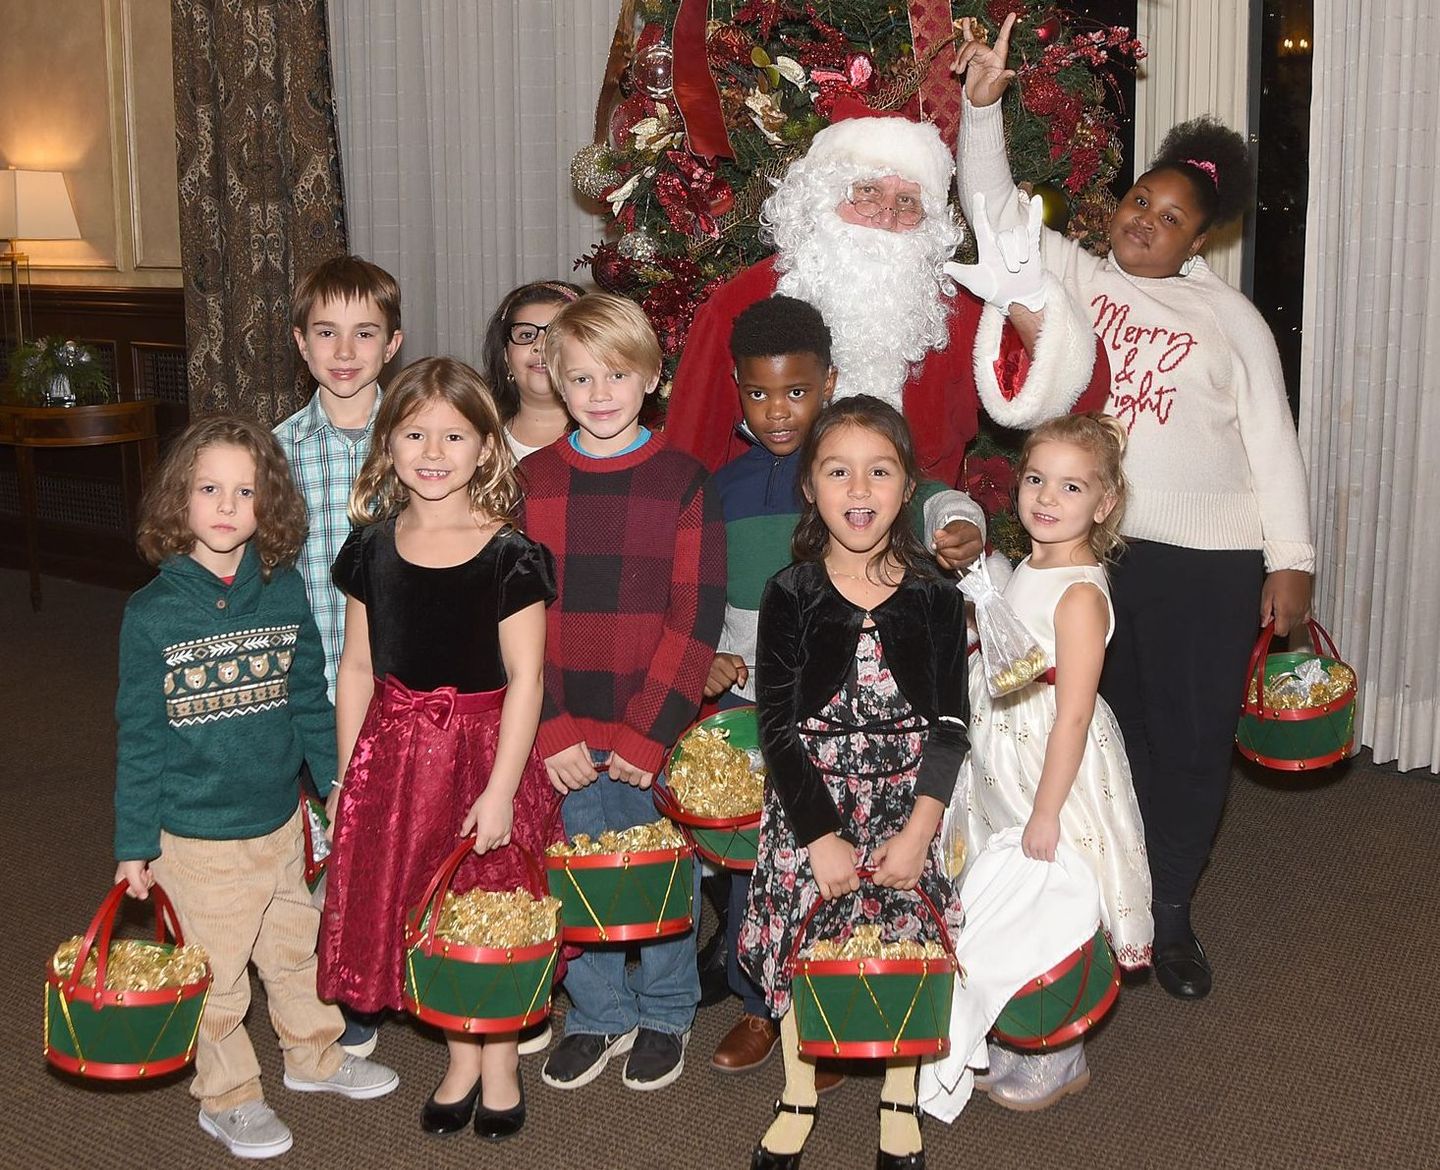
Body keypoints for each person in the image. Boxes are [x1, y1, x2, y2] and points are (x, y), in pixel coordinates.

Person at [955, 14, 1315, 1000]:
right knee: (1101, 735)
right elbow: (995, 221)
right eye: (1139, 200)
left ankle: (1173, 914)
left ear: (1204, 239)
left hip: (1209, 558)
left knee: (1192, 741)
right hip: (1095, 556)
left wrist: (1292, 559)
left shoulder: (1229, 317)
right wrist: (982, 117)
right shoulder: (1073, 277)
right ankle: (1096, 900)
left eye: (1171, 217)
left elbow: (1271, 444)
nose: (1144, 221)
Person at [704, 295, 984, 1078]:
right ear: (810, 487)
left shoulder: (918, 564)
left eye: (796, 390)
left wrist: (967, 526)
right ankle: (774, 1011)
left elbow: (944, 505)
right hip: (793, 759)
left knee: (888, 911)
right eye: (758, 393)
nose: (778, 409)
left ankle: (855, 1008)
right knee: (783, 894)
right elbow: (769, 709)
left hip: (897, 775)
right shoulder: (755, 536)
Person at [114, 416, 399, 1162]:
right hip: (195, 838)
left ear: (268, 507)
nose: (227, 505)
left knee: (296, 950)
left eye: (246, 492)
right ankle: (229, 1096)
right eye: (210, 489)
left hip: (280, 821)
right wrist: (135, 843)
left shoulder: (282, 593)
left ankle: (313, 1057)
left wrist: (337, 781)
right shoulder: (150, 615)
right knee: (217, 981)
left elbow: (310, 697)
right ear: (179, 500)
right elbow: (139, 735)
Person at [314, 358, 561, 1140]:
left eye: (453, 435)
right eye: (414, 433)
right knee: (427, 909)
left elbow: (526, 679)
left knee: (486, 907)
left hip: (483, 757)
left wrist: (499, 788)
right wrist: (353, 773)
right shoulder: (371, 548)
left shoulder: (508, 555)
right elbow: (356, 668)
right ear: (387, 445)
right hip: (396, 756)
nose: (432, 450)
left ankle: (501, 1061)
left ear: (487, 449)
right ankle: (460, 1056)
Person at [740, 396, 970, 1170]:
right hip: (814, 802)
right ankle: (799, 1089)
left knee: (902, 941)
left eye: (880, 471)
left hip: (907, 803)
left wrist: (920, 829)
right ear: (810, 486)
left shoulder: (937, 595)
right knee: (813, 945)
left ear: (908, 489)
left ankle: (899, 1096)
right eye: (839, 472)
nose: (859, 489)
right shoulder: (791, 593)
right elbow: (775, 724)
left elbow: (951, 724)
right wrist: (818, 835)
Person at [665, 98, 1109, 492]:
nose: (885, 216)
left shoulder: (950, 309)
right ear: (824, 196)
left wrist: (1026, 304)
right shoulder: (741, 304)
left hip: (914, 553)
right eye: (868, 192)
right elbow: (688, 460)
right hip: (775, 545)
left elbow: (1083, 398)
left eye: (908, 202)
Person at [521, 293, 726, 1093]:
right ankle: (599, 1011)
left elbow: (695, 617)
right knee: (574, 869)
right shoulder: (529, 483)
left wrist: (650, 733)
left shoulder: (681, 480)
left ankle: (668, 1008)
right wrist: (548, 726)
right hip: (565, 727)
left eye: (617, 374)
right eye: (580, 378)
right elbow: (514, 620)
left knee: (657, 869)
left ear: (651, 377)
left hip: (651, 729)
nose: (600, 392)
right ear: (554, 381)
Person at [952, 412, 1152, 1111]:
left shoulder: (1078, 594)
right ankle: (1012, 1023)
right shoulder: (1033, 564)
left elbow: (1072, 710)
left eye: (1070, 487)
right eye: (1036, 478)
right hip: (1003, 743)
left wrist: (1046, 810)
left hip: (1050, 760)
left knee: (1050, 894)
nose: (1045, 497)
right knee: (1001, 881)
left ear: (1103, 506)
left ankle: (1058, 1055)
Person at [276, 255, 404, 704]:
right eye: (327, 332)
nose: (345, 352)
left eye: (364, 334)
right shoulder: (274, 455)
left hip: (404, 686)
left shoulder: (420, 448)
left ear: (391, 346)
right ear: (302, 342)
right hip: (306, 687)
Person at [480, 280, 586, 462]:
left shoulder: (610, 440)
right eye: (526, 335)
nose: (541, 346)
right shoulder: (477, 442)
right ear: (506, 354)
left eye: (556, 334)